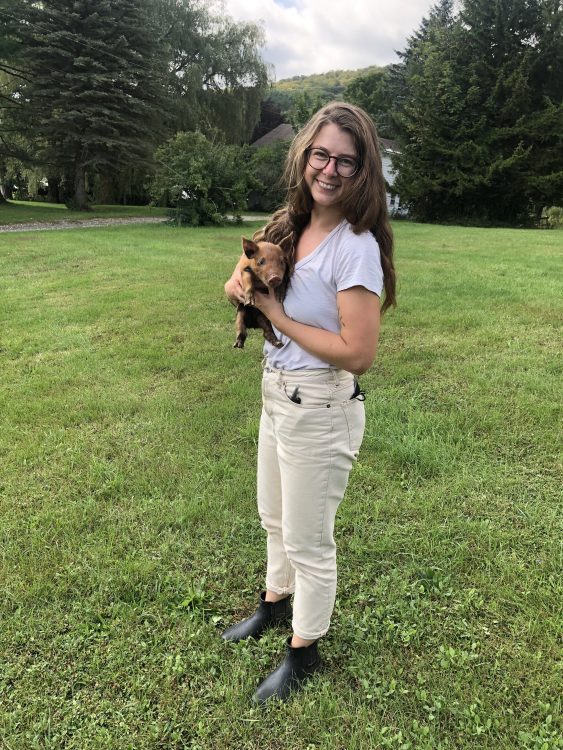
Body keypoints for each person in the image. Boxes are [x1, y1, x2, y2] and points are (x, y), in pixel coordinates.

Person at [222, 101, 396, 703]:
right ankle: (273, 603)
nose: (329, 169)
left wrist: (274, 314)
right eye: (321, 154)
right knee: (274, 518)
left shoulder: (356, 246)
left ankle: (305, 650)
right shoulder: (292, 225)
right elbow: (247, 267)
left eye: (345, 161)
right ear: (303, 156)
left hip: (321, 405)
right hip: (278, 393)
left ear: (362, 171)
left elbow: (356, 351)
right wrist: (238, 283)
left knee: (310, 540)